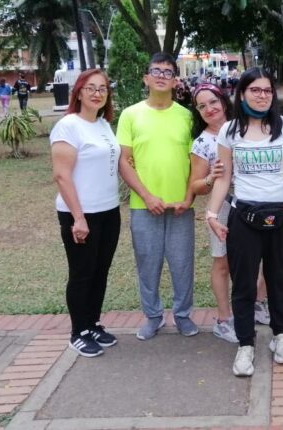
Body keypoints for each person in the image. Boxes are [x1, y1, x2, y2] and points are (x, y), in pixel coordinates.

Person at [206, 67, 283, 377]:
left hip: (279, 214)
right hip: (244, 216)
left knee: (276, 278)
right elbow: (223, 178)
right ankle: (245, 344)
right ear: (242, 94)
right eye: (255, 90)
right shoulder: (229, 130)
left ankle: (280, 335)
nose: (262, 95)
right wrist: (211, 214)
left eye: (267, 90)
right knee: (244, 283)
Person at [116, 52, 198, 340]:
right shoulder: (131, 115)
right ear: (146, 78)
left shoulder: (187, 117)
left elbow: (196, 162)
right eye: (156, 71)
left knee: (182, 265)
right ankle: (153, 316)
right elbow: (124, 161)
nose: (162, 76)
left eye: (168, 72)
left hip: (180, 207)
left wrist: (188, 198)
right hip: (143, 206)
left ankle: (183, 315)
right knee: (147, 264)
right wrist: (147, 196)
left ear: (175, 81)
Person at [50, 69, 128, 357]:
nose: (97, 93)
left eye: (103, 88)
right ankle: (78, 332)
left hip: (108, 210)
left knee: (100, 271)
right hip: (80, 214)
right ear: (79, 92)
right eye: (91, 88)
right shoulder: (68, 126)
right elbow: (62, 176)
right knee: (82, 273)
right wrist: (79, 218)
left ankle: (93, 323)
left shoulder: (104, 124)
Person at [188, 82, 272, 343]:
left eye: (213, 102)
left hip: (255, 201)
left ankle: (258, 303)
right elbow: (195, 186)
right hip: (223, 205)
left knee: (262, 256)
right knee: (222, 262)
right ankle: (224, 320)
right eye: (202, 106)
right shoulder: (202, 143)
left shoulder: (246, 127)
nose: (209, 109)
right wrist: (210, 178)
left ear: (224, 101)